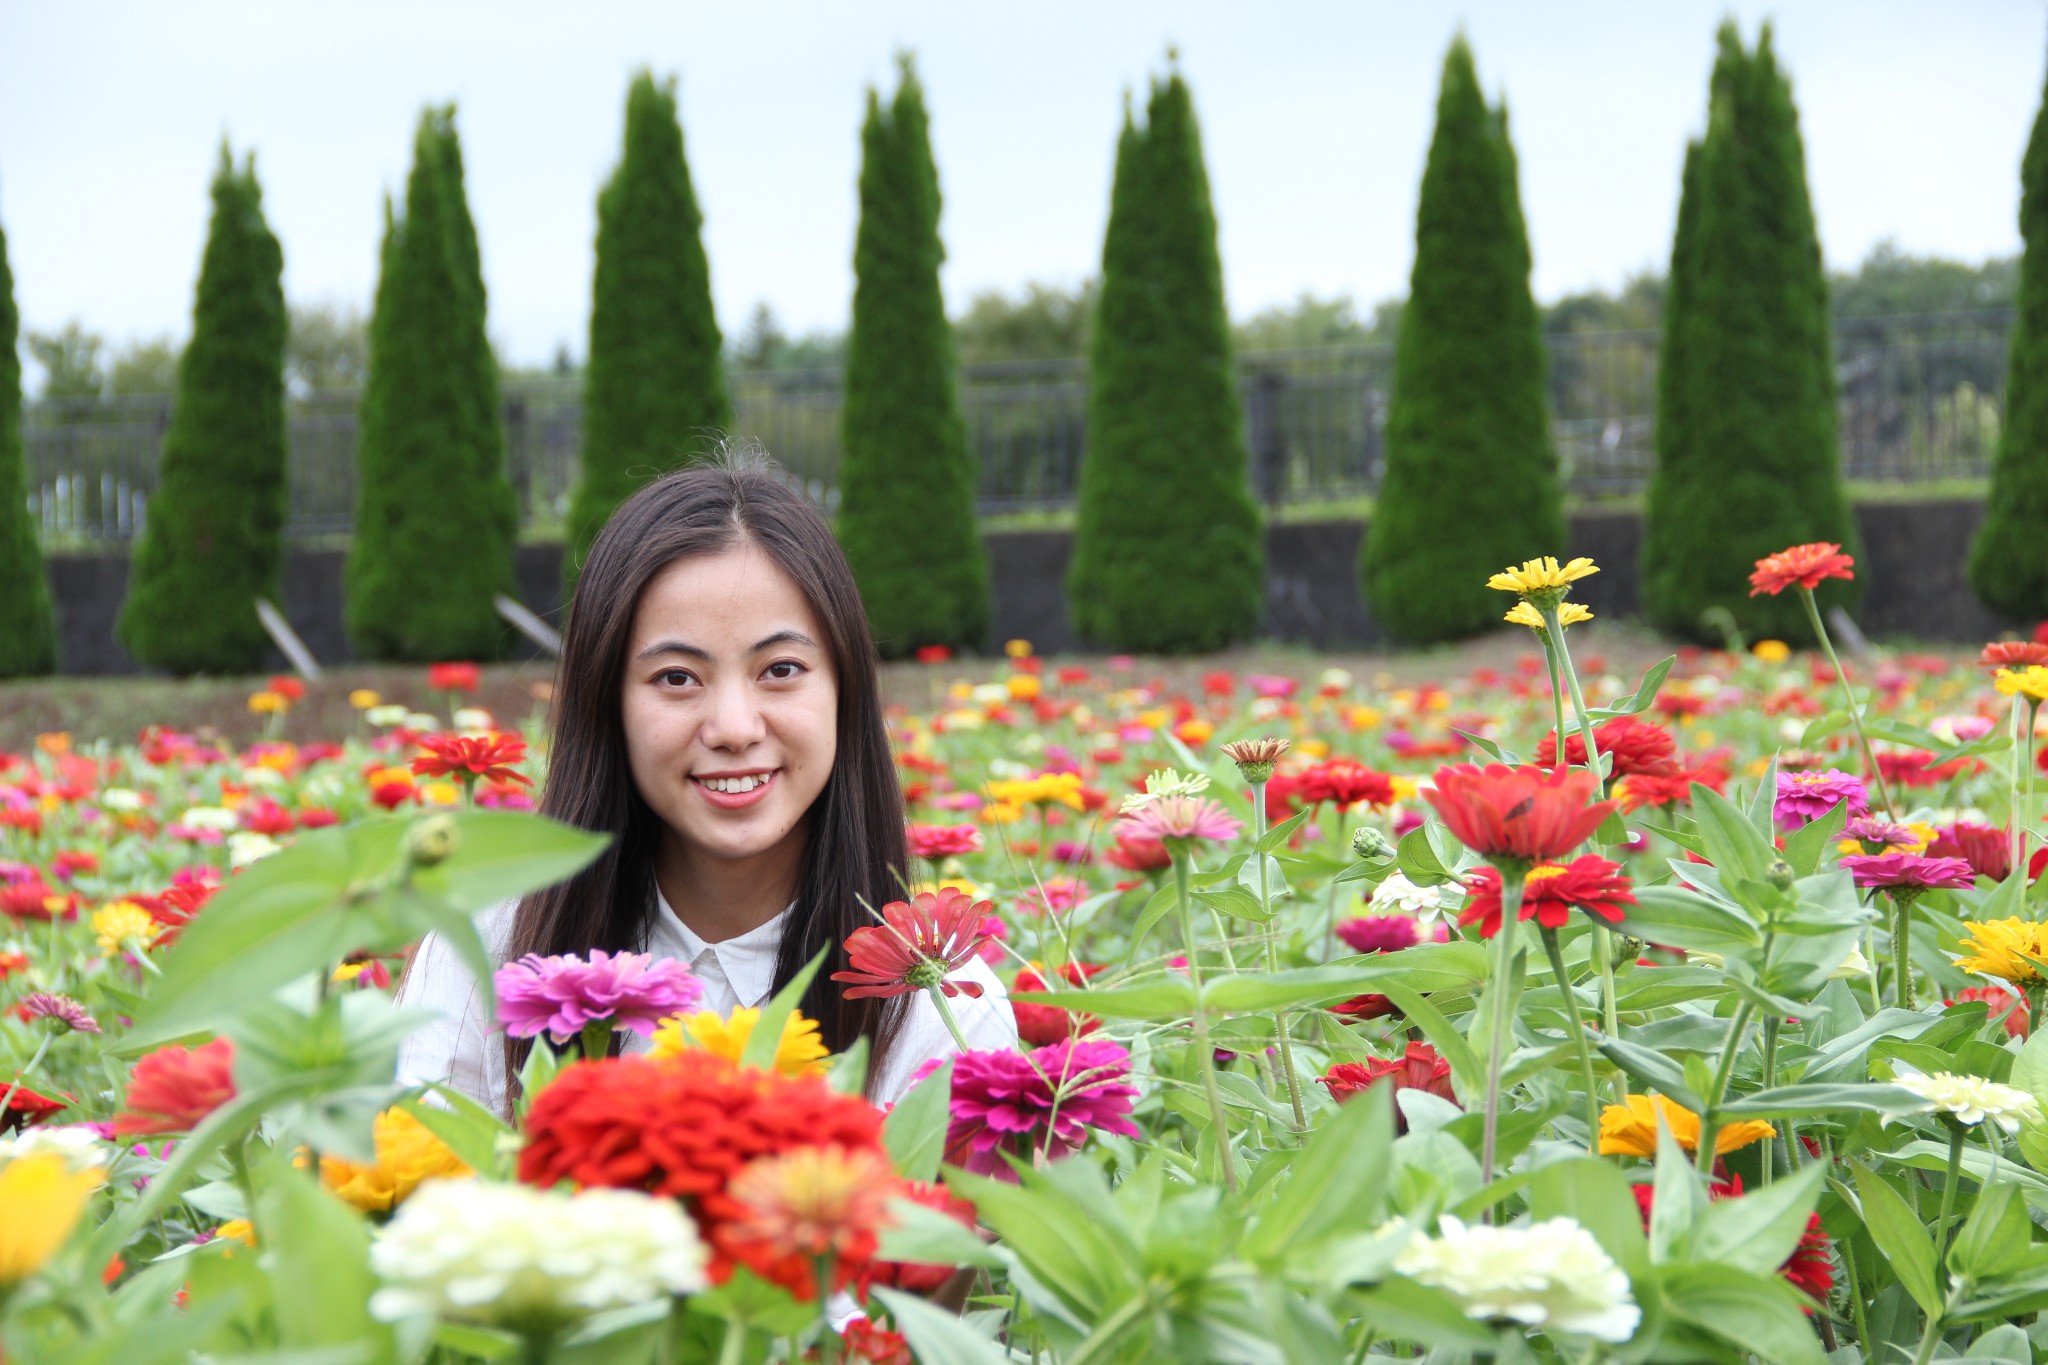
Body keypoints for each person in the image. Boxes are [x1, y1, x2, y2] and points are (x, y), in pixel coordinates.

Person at [396, 456, 1015, 1113]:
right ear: (607, 704)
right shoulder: (486, 957)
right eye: (677, 677)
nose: (733, 727)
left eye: (780, 668)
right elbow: (409, 1189)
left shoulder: (944, 1009)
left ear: (845, 691)